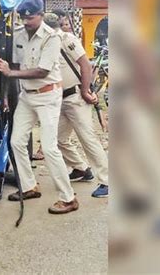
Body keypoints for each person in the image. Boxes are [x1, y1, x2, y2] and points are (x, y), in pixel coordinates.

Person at [0, 0, 78, 214]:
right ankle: (29, 186)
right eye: (24, 17)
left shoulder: (52, 37)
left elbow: (42, 70)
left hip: (48, 95)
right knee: (16, 141)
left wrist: (11, 73)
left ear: (41, 15)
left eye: (31, 17)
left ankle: (68, 198)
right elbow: (10, 62)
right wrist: (4, 91)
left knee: (49, 148)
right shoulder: (19, 34)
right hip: (27, 95)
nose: (27, 21)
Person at [44, 13, 109, 198]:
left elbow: (86, 65)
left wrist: (85, 91)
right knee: (57, 139)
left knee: (87, 139)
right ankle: (81, 169)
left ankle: (106, 181)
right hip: (61, 99)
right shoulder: (48, 42)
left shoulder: (67, 39)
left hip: (76, 97)